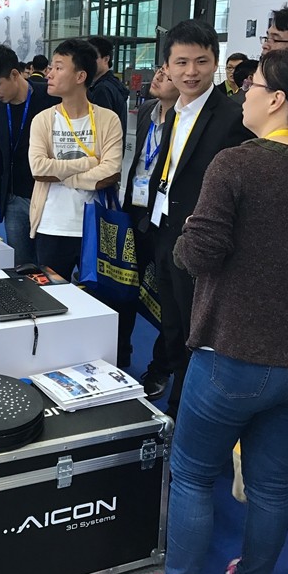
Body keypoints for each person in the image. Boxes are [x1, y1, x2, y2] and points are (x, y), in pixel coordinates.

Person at [146, 48, 288, 574]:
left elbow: (199, 253)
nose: (244, 94)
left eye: (252, 86)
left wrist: (185, 236)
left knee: (191, 474)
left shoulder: (237, 163)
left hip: (230, 353)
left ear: (276, 100)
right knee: (271, 486)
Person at [139, 19, 253, 419]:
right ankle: (175, 390)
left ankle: (183, 412)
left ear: (215, 63)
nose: (191, 72)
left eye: (201, 62)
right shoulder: (174, 111)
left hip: (198, 240)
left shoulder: (233, 117)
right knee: (169, 322)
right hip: (163, 229)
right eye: (181, 62)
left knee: (193, 332)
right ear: (167, 67)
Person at [28, 38, 123, 281]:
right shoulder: (43, 120)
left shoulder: (108, 119)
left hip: (95, 225)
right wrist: (89, 163)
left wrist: (63, 176)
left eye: (59, 68)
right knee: (51, 296)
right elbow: (39, 169)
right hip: (51, 225)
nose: (49, 74)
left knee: (97, 297)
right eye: (51, 67)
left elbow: (110, 172)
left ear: (80, 76)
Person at [116, 66, 179, 387]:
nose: (158, 76)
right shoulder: (145, 111)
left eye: (167, 74)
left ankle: (160, 368)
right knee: (124, 284)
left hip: (165, 219)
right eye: (160, 70)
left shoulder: (188, 121)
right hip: (133, 210)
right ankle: (120, 352)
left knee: (167, 299)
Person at [0, 43, 58, 265]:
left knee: (49, 267)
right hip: (15, 200)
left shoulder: (51, 99)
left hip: (50, 198)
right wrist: (4, 200)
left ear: (14, 74)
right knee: (20, 267)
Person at [86, 36, 129, 143]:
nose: (88, 63)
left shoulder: (102, 89)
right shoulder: (113, 84)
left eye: (92, 58)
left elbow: (100, 130)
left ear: (106, 59)